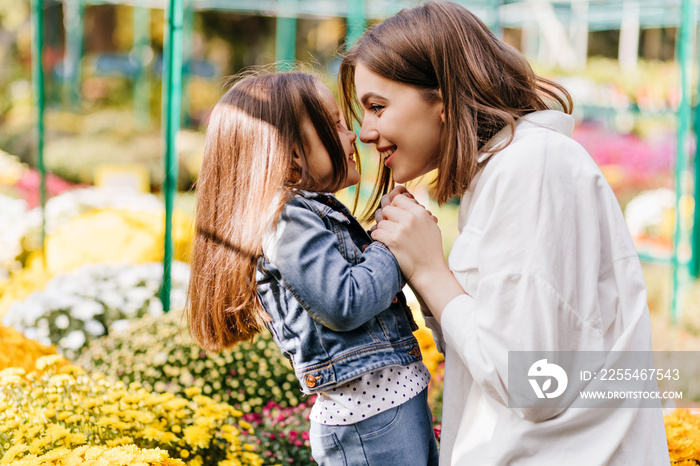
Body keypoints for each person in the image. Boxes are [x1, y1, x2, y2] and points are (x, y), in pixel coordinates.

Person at [339, 2, 671, 465]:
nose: (365, 132)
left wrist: (432, 272)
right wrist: (421, 271)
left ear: (443, 95)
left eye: (377, 106)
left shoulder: (532, 168)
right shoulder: (504, 173)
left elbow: (534, 383)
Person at [186, 70, 439, 466]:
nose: (352, 135)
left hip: (387, 410)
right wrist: (393, 244)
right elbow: (345, 301)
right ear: (289, 153)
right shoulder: (284, 219)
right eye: (336, 124)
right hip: (369, 425)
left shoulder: (305, 212)